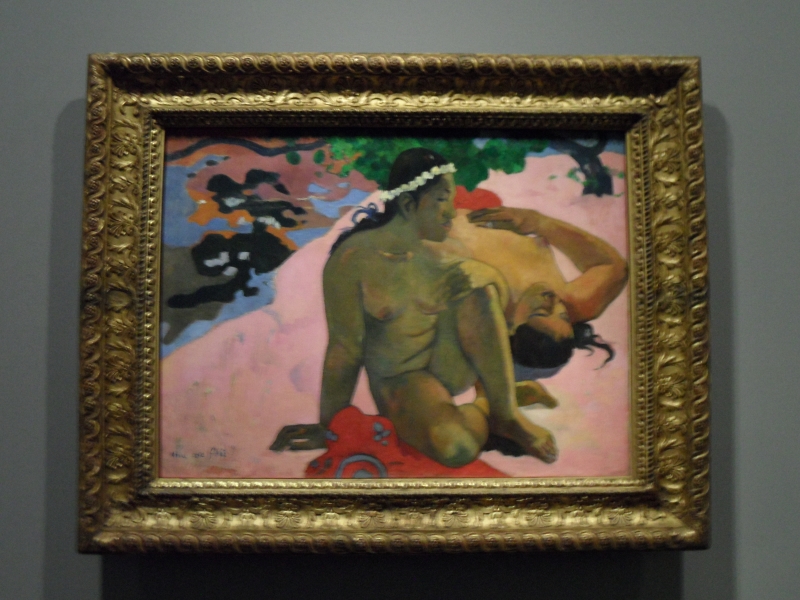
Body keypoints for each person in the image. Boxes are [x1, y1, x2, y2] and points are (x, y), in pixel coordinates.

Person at [270, 148, 557, 467]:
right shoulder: (353, 260)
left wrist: (489, 278)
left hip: (450, 363)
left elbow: (492, 305)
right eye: (441, 200)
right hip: (402, 380)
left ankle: (506, 414)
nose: (450, 212)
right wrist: (331, 426)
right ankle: (486, 407)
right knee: (457, 449)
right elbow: (345, 349)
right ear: (408, 204)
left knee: (478, 289)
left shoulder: (448, 249)